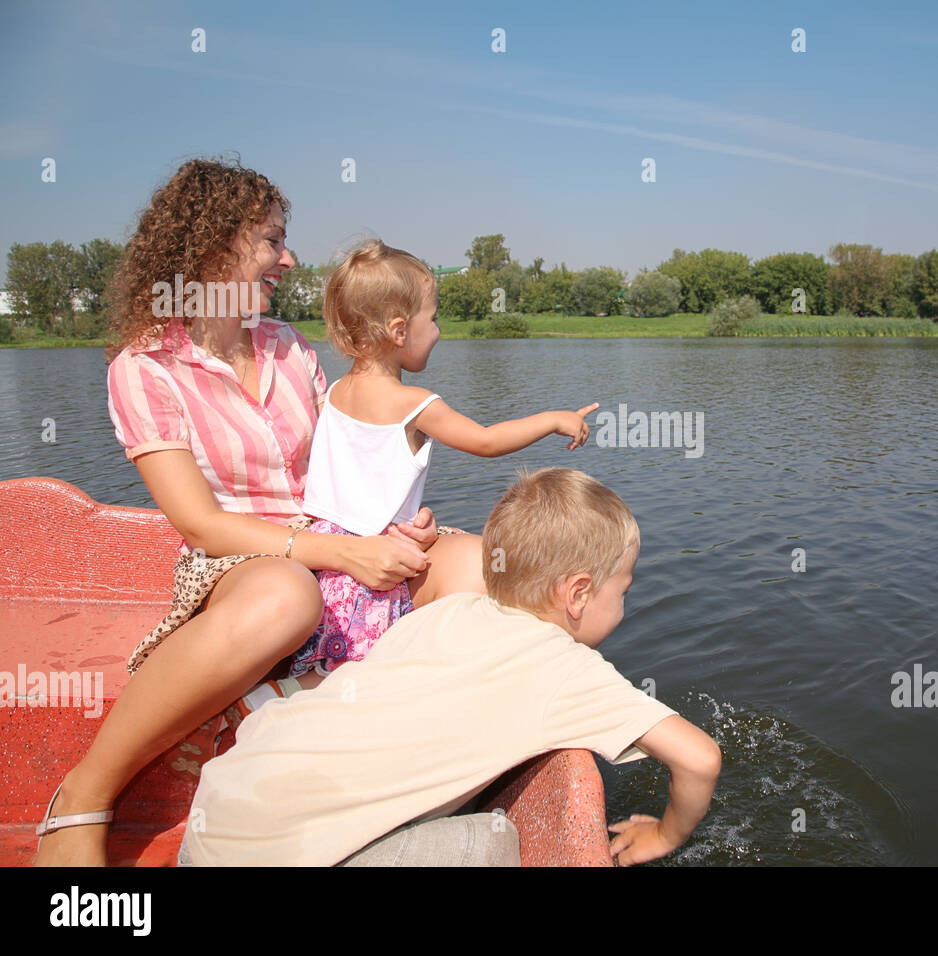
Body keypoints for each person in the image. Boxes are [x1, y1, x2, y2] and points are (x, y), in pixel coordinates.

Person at [32, 158, 481, 866]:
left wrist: (395, 520)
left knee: (483, 567)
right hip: (238, 560)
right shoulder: (144, 367)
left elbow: (345, 468)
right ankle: (85, 794)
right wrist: (343, 555)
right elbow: (200, 525)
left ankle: (420, 747)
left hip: (340, 534)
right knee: (284, 595)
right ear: (213, 247)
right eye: (272, 240)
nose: (288, 257)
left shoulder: (289, 347)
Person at [179, 468, 722, 866]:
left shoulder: (444, 611)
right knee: (493, 842)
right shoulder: (570, 670)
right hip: (276, 859)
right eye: (623, 589)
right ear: (578, 594)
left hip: (219, 813)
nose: (626, 602)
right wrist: (664, 836)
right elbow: (699, 758)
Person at [286, 239, 599, 679]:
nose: (438, 331)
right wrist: (552, 419)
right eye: (432, 320)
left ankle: (274, 698)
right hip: (372, 567)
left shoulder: (336, 392)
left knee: (330, 667)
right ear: (398, 331)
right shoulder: (414, 403)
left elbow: (357, 484)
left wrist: (410, 521)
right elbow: (485, 441)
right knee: (359, 674)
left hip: (325, 561)